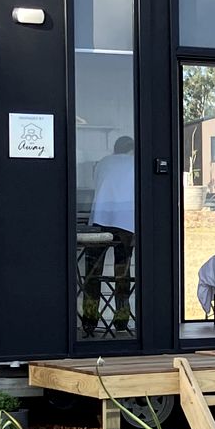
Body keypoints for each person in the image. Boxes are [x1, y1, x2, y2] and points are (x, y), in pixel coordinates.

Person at [82, 136, 135, 335]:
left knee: (92, 273)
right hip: (126, 224)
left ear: (114, 149)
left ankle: (89, 320)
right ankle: (121, 319)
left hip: (100, 222)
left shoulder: (103, 162)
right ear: (132, 150)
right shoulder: (134, 163)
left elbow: (96, 183)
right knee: (122, 272)